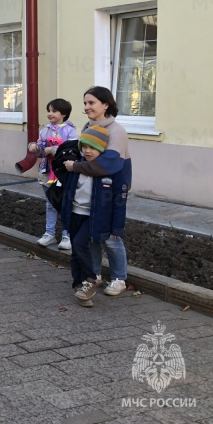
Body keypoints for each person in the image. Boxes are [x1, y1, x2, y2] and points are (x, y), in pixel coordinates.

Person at [65, 86, 132, 297]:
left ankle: (119, 278)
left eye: (91, 103)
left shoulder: (116, 131)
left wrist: (75, 167)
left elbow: (106, 165)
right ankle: (95, 275)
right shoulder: (88, 126)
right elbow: (84, 155)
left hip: (110, 190)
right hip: (92, 190)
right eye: (85, 103)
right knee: (93, 236)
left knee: (112, 238)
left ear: (106, 104)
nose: (86, 107)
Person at [29, 98, 78, 250]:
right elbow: (41, 150)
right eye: (48, 111)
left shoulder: (70, 131)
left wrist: (55, 150)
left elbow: (74, 150)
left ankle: (67, 235)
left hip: (62, 174)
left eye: (54, 111)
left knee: (65, 204)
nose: (50, 114)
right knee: (50, 204)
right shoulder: (45, 131)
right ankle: (49, 234)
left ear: (63, 113)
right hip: (47, 172)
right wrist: (34, 147)